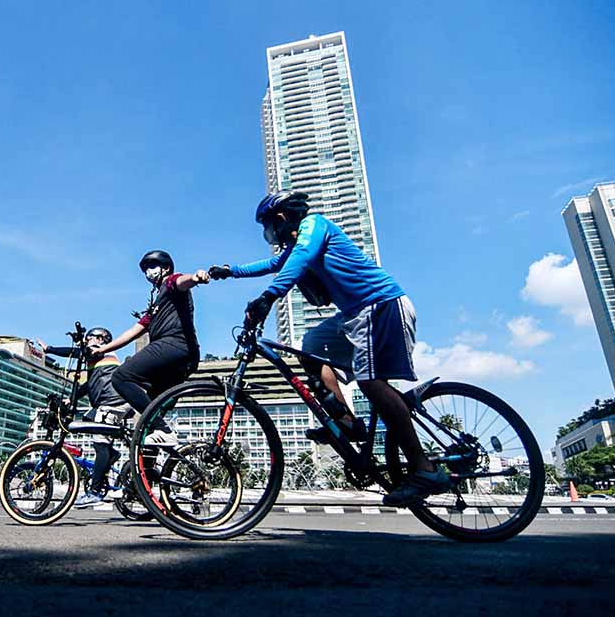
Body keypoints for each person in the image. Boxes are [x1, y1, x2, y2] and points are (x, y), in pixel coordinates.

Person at [207, 191, 449, 507]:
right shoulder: (296, 244)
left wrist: (268, 297)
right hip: (354, 315)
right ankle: (347, 422)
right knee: (309, 348)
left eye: (268, 228)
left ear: (280, 220)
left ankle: (424, 468)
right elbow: (274, 263)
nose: (269, 236)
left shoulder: (313, 225)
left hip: (379, 305)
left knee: (371, 382)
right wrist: (231, 271)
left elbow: (302, 256)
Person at [90, 250, 209, 446]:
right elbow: (133, 332)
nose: (148, 272)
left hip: (175, 344)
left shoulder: (171, 283)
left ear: (166, 268)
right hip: (182, 356)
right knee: (150, 415)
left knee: (121, 377)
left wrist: (196, 277)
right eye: (145, 269)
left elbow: (183, 282)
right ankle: (149, 471)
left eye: (152, 266)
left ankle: (163, 430)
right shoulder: (156, 305)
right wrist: (103, 349)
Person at [38, 328, 127, 509]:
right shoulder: (100, 360)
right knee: (86, 422)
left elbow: (76, 353)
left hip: (111, 403)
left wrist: (50, 350)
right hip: (106, 404)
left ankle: (94, 492)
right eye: (87, 339)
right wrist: (71, 398)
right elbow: (89, 385)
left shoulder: (101, 351)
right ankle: (111, 456)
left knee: (100, 444)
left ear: (102, 340)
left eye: (91, 338)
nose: (87, 341)